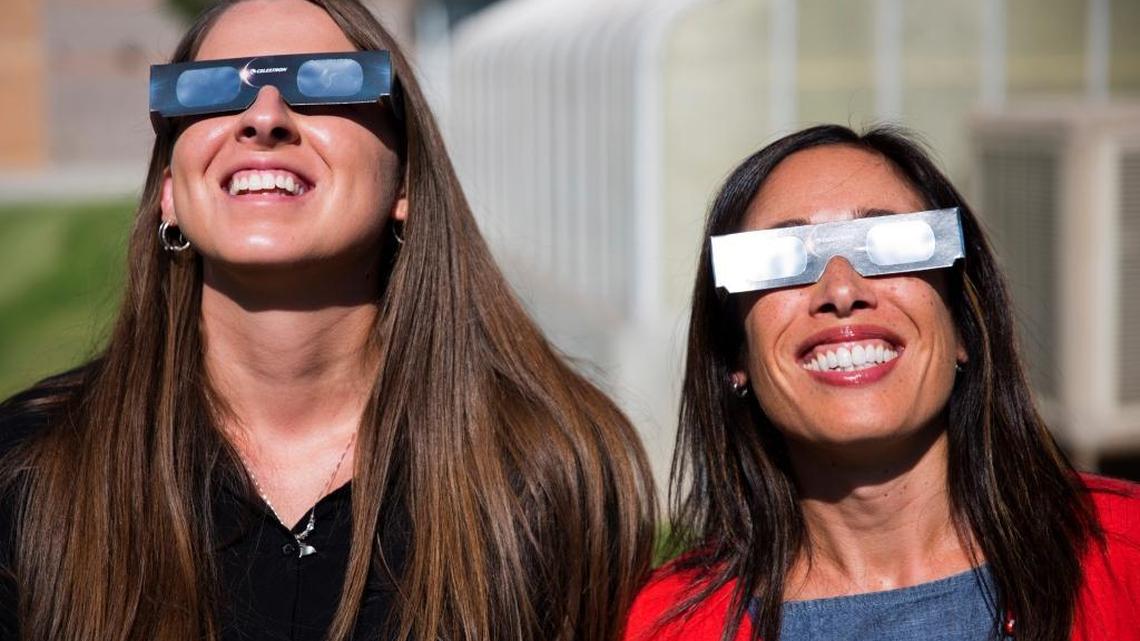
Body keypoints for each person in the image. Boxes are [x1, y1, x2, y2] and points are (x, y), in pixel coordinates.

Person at [0, 1, 656, 639]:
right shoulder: (30, 467)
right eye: (211, 91)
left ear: (404, 183)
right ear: (170, 189)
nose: (263, 116)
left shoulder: (550, 469)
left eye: (326, 83)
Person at [623, 125, 1140, 641]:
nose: (842, 289)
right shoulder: (654, 627)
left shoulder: (1127, 552)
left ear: (963, 326)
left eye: (895, 245)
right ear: (736, 353)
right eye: (779, 260)